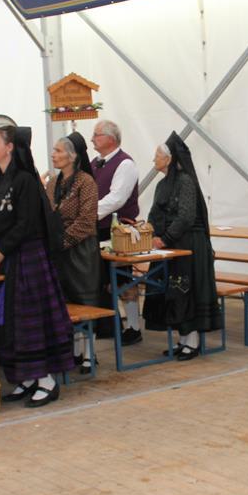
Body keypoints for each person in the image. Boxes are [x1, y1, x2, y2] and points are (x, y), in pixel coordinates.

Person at [0, 126, 75, 407]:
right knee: (11, 322)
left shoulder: (25, 180)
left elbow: (26, 223)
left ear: (10, 147)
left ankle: (46, 380)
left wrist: (1, 250)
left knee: (29, 321)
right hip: (6, 258)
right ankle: (26, 377)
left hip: (27, 259)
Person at [142, 133, 221, 361]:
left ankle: (192, 342)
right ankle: (183, 340)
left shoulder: (185, 181)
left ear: (168, 159)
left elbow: (186, 216)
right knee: (174, 291)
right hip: (171, 244)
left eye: (157, 156)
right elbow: (154, 214)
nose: (154, 160)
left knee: (186, 290)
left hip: (189, 244)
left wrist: (165, 238)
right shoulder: (162, 184)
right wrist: (150, 231)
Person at [45, 132, 101, 374]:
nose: (53, 155)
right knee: (66, 299)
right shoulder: (52, 183)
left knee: (85, 299)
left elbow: (87, 221)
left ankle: (89, 354)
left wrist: (63, 240)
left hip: (81, 250)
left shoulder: (86, 182)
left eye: (58, 151)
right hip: (59, 249)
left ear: (72, 156)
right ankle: (74, 351)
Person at [90, 119, 142, 345]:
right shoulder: (95, 163)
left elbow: (117, 198)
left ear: (110, 139)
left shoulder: (125, 164)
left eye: (96, 135)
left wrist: (88, 213)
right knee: (103, 280)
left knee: (123, 280)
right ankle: (110, 324)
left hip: (118, 231)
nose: (92, 139)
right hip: (98, 228)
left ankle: (134, 327)